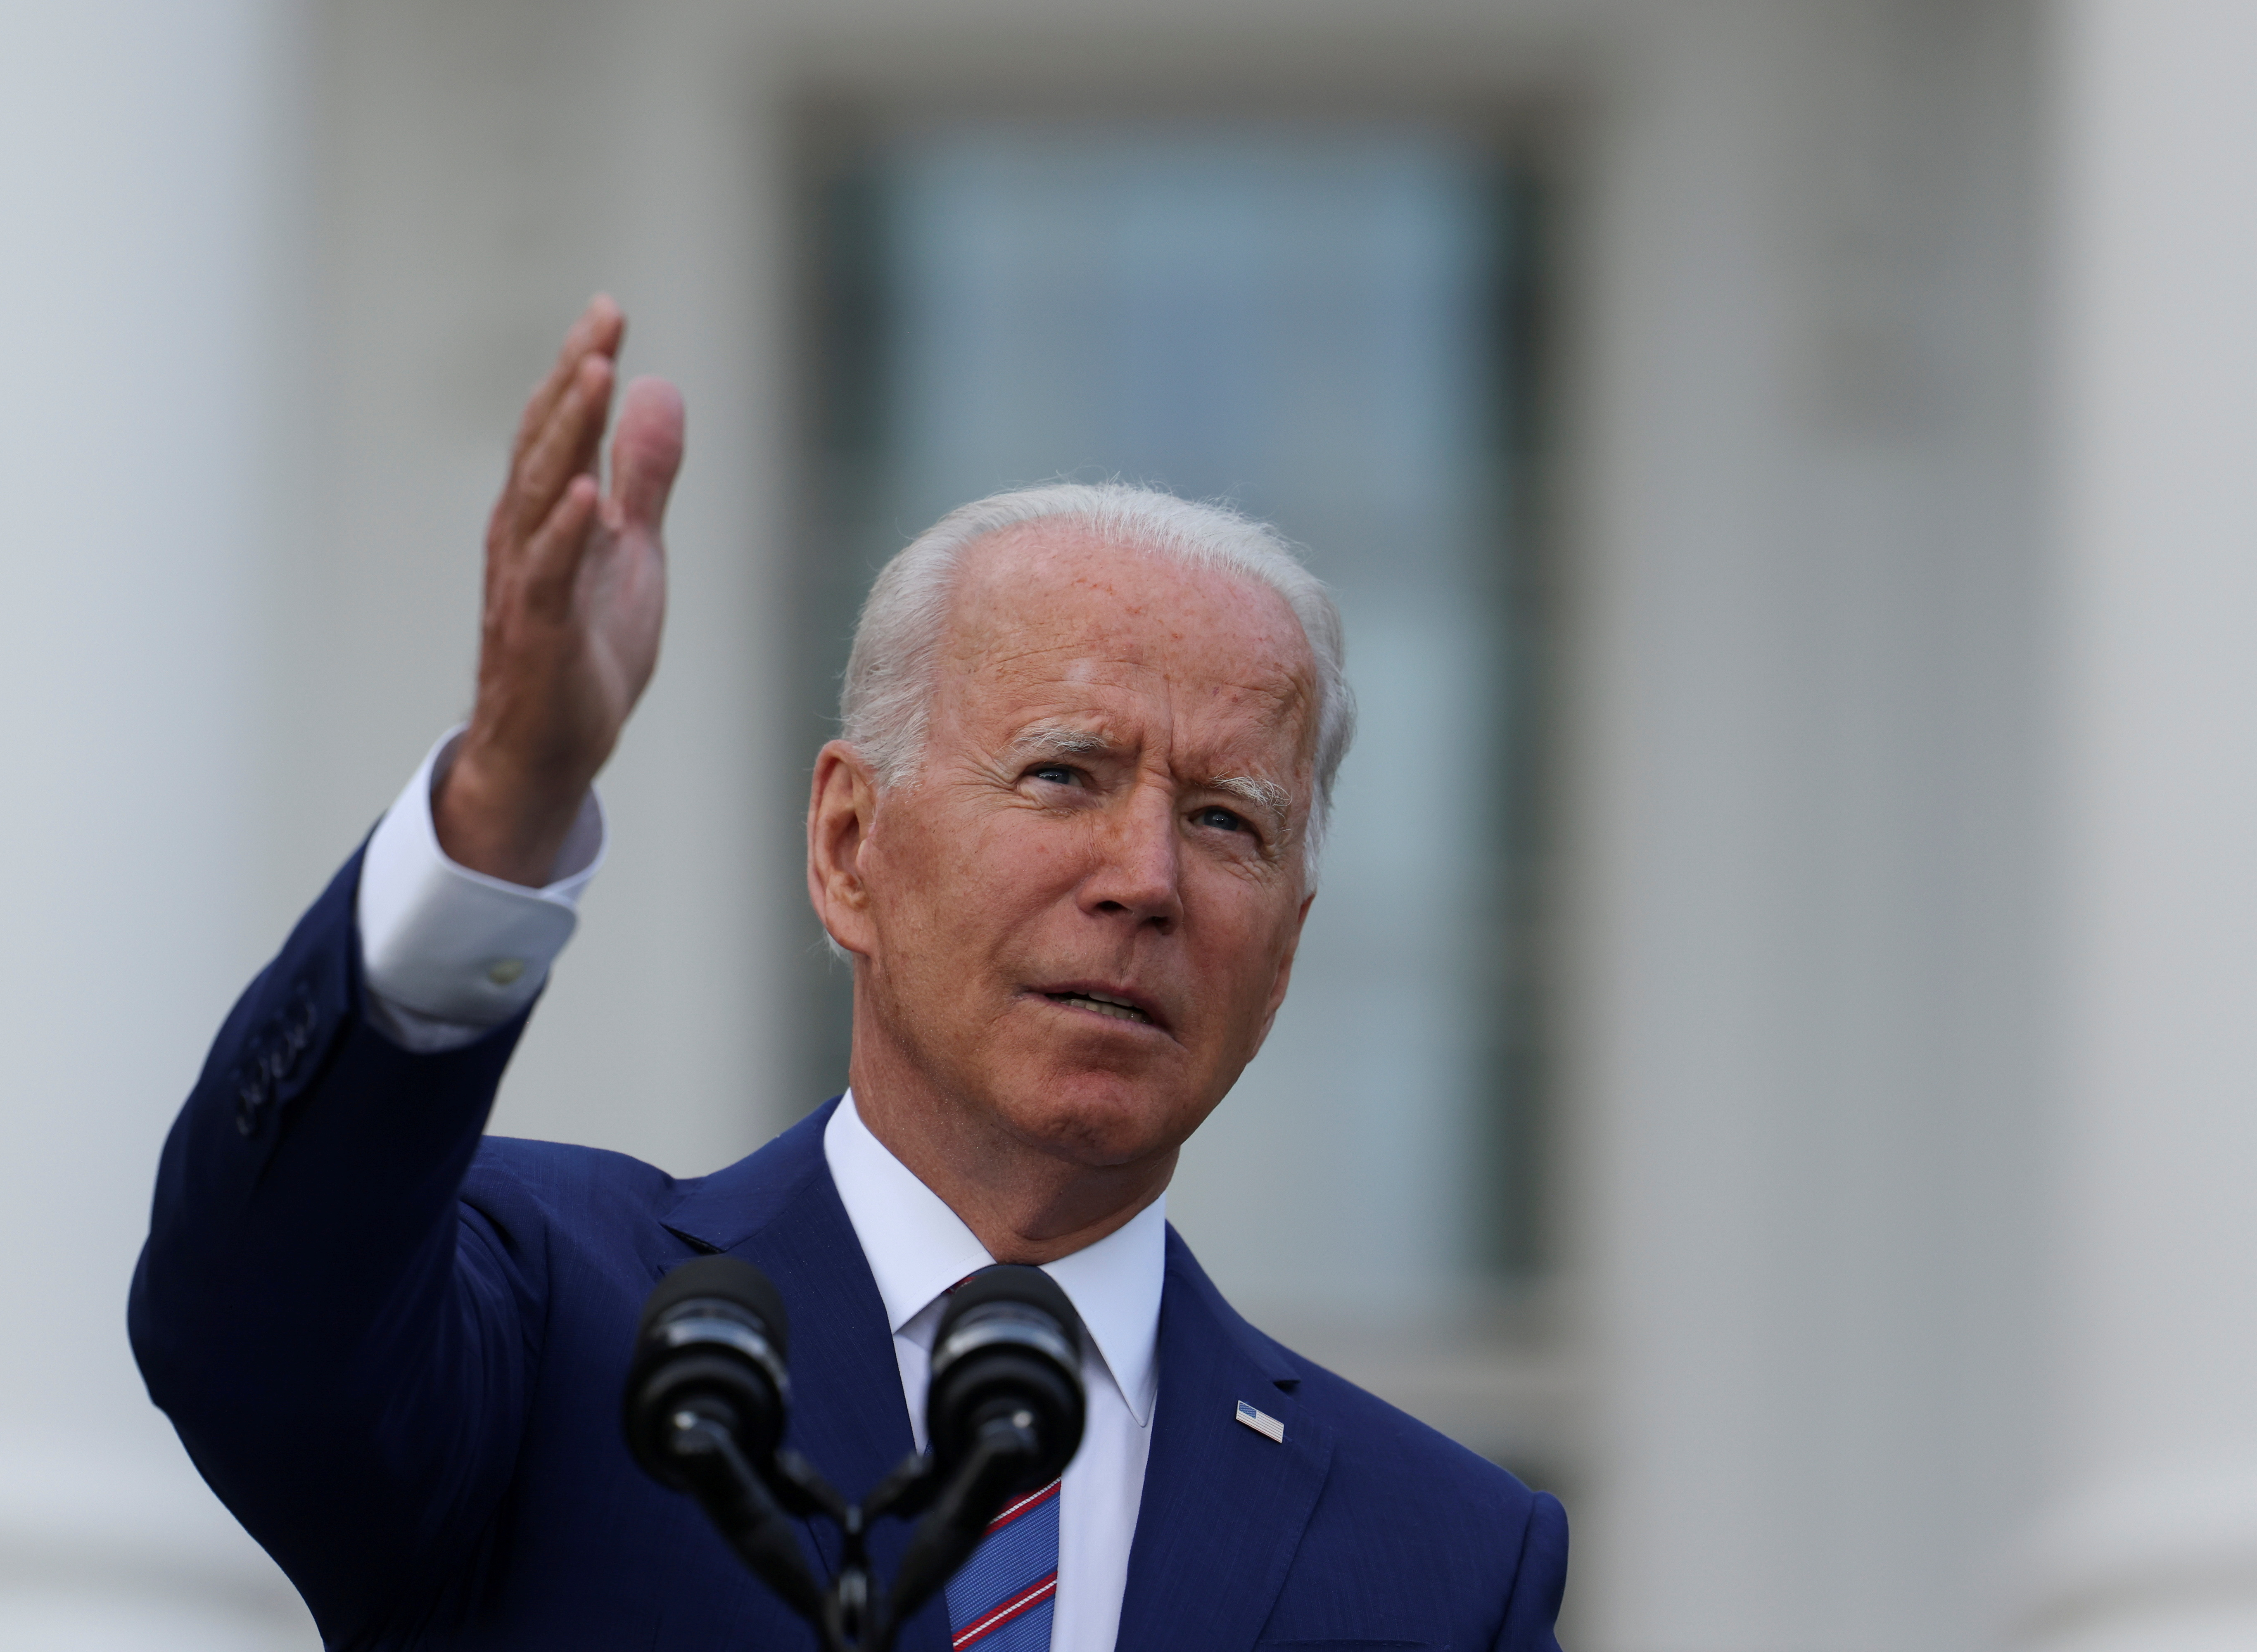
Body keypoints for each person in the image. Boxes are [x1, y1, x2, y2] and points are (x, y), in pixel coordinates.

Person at [131, 296, 1567, 1651]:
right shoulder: (549, 1321)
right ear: (847, 846)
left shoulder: (1444, 1557)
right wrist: (505, 805)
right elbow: (258, 1317)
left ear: (1288, 947)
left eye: (1224, 821)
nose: (1146, 878)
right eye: (1063, 775)